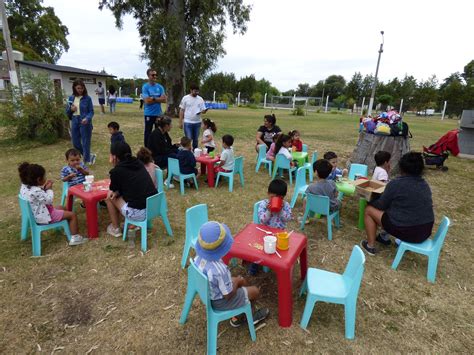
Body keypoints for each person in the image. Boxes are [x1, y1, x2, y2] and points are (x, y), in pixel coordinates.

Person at [194, 221, 269, 327]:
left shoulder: (197, 258)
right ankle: (247, 317)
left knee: (237, 281)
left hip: (208, 294)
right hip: (220, 302)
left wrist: (235, 281)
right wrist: (238, 281)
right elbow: (228, 295)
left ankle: (240, 309)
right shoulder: (220, 270)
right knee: (254, 291)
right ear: (222, 247)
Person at [360, 152, 435, 256]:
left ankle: (370, 246)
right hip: (425, 231)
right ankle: (383, 237)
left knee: (369, 210)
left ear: (401, 167)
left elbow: (381, 205)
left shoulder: (396, 184)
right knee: (392, 211)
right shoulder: (424, 184)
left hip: (407, 232)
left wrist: (369, 198)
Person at [19, 162, 87, 246]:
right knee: (72, 215)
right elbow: (49, 200)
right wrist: (49, 189)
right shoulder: (36, 190)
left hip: (37, 213)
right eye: (44, 177)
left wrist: (44, 188)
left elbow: (38, 197)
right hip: (44, 216)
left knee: (63, 208)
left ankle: (69, 229)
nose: (45, 178)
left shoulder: (25, 186)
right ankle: (75, 238)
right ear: (38, 179)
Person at [105, 142, 157, 238]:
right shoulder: (138, 163)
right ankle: (127, 223)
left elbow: (113, 189)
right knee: (124, 194)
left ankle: (115, 228)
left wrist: (114, 167)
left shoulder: (117, 171)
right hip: (154, 207)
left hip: (139, 213)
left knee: (109, 197)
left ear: (114, 157)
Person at [301, 159, 341, 223]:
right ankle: (336, 222)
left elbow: (308, 195)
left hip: (315, 207)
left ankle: (305, 217)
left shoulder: (311, 187)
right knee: (338, 200)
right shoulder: (332, 183)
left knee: (305, 199)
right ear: (329, 172)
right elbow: (336, 195)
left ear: (316, 172)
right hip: (330, 207)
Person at [66, 79, 96, 165]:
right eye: (78, 88)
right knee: (75, 142)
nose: (80, 90)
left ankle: (86, 161)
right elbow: (67, 112)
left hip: (85, 122)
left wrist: (87, 118)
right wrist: (71, 109)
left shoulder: (88, 98)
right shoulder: (71, 98)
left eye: (82, 88)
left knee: (86, 142)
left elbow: (91, 111)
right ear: (74, 88)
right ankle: (89, 156)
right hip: (75, 120)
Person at [179, 84, 208, 150]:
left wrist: (204, 111)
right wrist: (180, 122)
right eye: (195, 91)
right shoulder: (185, 98)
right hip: (187, 122)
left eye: (198, 91)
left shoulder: (200, 99)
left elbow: (203, 110)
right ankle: (188, 153)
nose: (197, 93)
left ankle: (195, 153)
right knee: (188, 139)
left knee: (195, 140)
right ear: (191, 90)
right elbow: (181, 110)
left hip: (197, 122)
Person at [142, 68, 167, 147]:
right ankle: (147, 149)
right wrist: (158, 99)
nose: (155, 76)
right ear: (148, 76)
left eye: (156, 75)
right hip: (149, 114)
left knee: (159, 132)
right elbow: (146, 101)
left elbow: (164, 100)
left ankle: (158, 148)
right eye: (153, 75)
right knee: (148, 133)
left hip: (158, 114)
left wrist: (153, 98)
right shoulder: (145, 87)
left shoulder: (160, 87)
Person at [372, 151, 392, 246]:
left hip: (374, 195)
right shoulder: (383, 172)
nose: (390, 163)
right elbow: (383, 186)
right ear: (385, 162)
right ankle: (384, 235)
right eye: (389, 161)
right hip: (379, 197)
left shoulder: (377, 168)